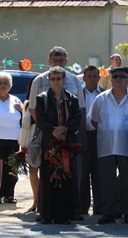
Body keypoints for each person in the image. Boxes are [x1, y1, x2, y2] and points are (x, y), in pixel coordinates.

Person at [90, 66, 128, 225]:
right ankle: (108, 213)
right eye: (115, 76)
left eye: (122, 76)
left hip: (127, 146)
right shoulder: (101, 99)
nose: (118, 79)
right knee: (107, 181)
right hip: (106, 145)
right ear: (111, 79)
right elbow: (94, 120)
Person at [34, 66, 81, 224]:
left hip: (66, 143)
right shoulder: (42, 98)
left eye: (58, 78)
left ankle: (63, 215)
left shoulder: (72, 99)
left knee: (66, 176)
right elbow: (40, 119)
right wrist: (53, 131)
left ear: (64, 80)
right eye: (53, 79)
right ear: (49, 80)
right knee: (47, 178)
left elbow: (77, 118)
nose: (56, 82)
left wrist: (64, 129)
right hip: (49, 143)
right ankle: (47, 214)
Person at [29, 47, 85, 123]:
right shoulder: (39, 80)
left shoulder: (75, 80)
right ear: (49, 60)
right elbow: (32, 108)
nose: (58, 64)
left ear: (66, 61)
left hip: (70, 128)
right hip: (46, 128)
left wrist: (69, 127)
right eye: (55, 60)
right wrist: (45, 127)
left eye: (61, 60)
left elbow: (81, 107)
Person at [77, 65, 103, 216]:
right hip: (83, 136)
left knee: (98, 173)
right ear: (84, 78)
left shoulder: (105, 95)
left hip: (99, 137)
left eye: (95, 76)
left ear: (99, 77)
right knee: (82, 172)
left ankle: (99, 206)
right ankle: (83, 206)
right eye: (89, 76)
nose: (92, 79)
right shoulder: (78, 94)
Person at [0, 71, 23, 205]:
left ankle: (10, 194)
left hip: (14, 140)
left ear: (10, 86)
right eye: (0, 83)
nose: (3, 86)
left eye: (6, 83)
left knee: (12, 167)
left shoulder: (16, 100)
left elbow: (26, 118)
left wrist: (22, 110)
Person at [19, 77, 40, 213]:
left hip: (44, 138)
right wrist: (23, 145)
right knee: (33, 170)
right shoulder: (26, 104)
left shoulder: (47, 100)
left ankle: (44, 200)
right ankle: (36, 201)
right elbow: (24, 126)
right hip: (31, 140)